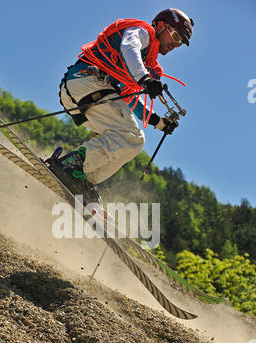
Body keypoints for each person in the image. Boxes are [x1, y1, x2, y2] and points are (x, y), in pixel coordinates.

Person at [46, 8, 194, 204]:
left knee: (134, 142)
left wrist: (158, 122)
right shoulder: (142, 32)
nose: (175, 44)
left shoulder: (145, 62)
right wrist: (145, 79)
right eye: (175, 36)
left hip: (87, 93)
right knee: (131, 135)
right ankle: (71, 164)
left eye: (180, 43)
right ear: (159, 26)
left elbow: (127, 98)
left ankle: (83, 180)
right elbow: (129, 47)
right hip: (86, 81)